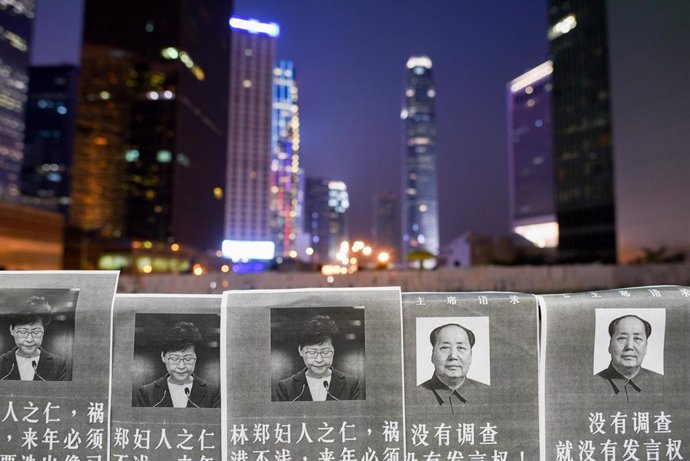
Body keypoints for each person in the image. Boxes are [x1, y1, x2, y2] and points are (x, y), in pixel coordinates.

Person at [275, 315, 361, 401]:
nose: (319, 360)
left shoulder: (351, 385)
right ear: (300, 351)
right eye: (312, 352)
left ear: (334, 350)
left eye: (325, 352)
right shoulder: (286, 388)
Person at [134, 321, 220, 408]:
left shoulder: (212, 392)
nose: (181, 366)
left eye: (188, 358)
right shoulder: (146, 393)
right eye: (174, 359)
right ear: (163, 357)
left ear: (196, 357)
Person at [418, 323, 488, 413]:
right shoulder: (413, 397)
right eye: (445, 347)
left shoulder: (489, 395)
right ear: (432, 355)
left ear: (470, 356)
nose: (453, 356)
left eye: (461, 348)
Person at [595, 314, 662, 403]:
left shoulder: (663, 385)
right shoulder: (588, 387)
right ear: (610, 345)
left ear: (646, 347)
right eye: (622, 338)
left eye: (637, 338)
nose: (629, 346)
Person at [0, 296, 68, 381]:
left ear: (44, 331)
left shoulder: (58, 365)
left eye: (36, 332)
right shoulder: (1, 363)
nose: (29, 339)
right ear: (12, 330)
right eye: (23, 332)